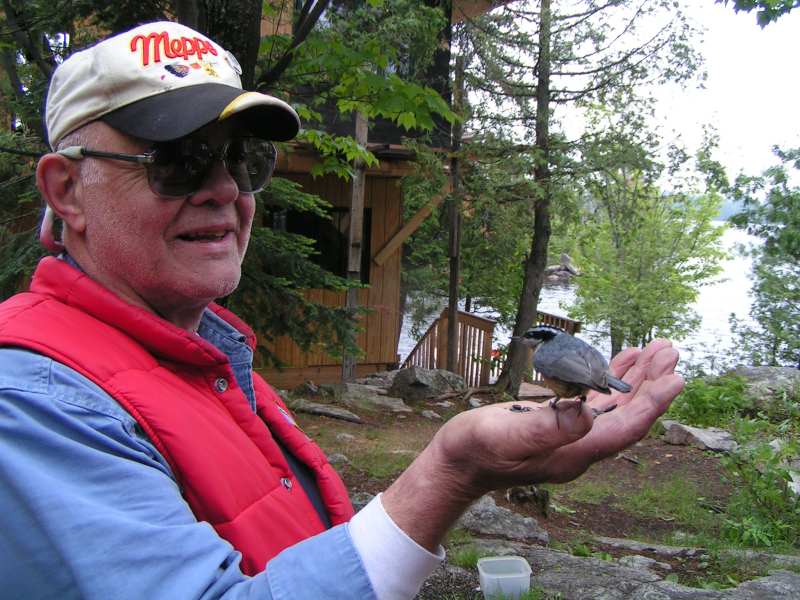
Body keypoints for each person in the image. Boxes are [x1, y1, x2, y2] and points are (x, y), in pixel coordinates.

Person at [0, 21, 684, 599]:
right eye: (178, 161)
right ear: (68, 191)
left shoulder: (204, 359)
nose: (221, 189)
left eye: (243, 160)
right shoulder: (34, 400)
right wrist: (450, 472)